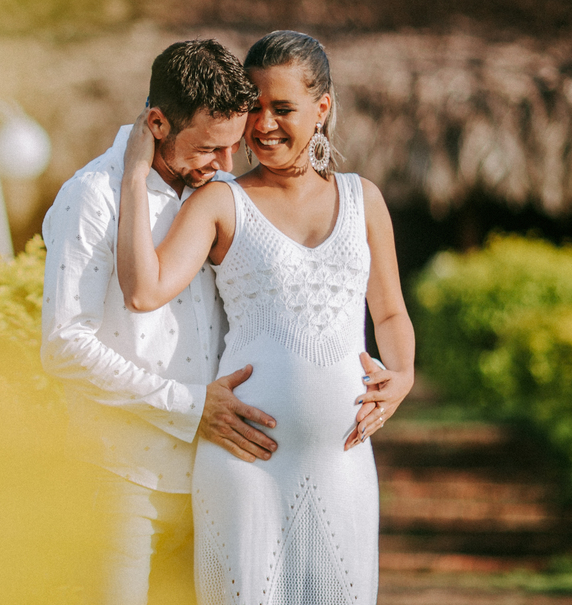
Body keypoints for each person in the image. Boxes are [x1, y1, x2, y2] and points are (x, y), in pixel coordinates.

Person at [116, 30, 416, 605]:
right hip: (243, 468)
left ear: (322, 109)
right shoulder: (220, 201)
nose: (264, 125)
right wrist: (134, 177)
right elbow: (143, 290)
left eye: (283, 108)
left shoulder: (363, 199)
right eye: (254, 108)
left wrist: (400, 378)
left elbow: (391, 311)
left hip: (345, 465)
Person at [41, 38, 279, 605]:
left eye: (232, 150)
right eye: (209, 148)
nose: (224, 166)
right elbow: (65, 344)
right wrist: (192, 404)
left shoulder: (218, 195)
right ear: (157, 122)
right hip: (121, 483)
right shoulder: (91, 196)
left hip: (213, 484)